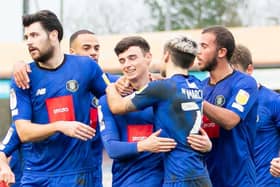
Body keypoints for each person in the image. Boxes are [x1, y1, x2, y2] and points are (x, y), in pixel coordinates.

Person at [10, 10, 107, 187]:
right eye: (27, 37)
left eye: (34, 35)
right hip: (37, 175)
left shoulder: (85, 67)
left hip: (77, 174)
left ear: (53, 35)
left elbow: (114, 98)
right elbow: (23, 132)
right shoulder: (23, 77)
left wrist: (145, 80)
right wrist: (60, 126)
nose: (29, 41)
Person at [105, 35, 212, 187]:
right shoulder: (197, 84)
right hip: (200, 173)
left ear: (166, 56)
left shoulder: (162, 88)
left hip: (178, 175)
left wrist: (111, 88)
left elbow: (117, 107)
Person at [197, 26, 259, 187]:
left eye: (204, 46)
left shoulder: (244, 83)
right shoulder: (200, 87)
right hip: (206, 179)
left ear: (221, 52)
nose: (198, 52)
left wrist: (196, 101)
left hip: (239, 180)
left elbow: (231, 120)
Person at [230, 44, 280, 186]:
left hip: (265, 183)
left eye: (236, 75)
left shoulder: (273, 101)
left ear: (250, 69)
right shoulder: (223, 105)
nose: (233, 81)